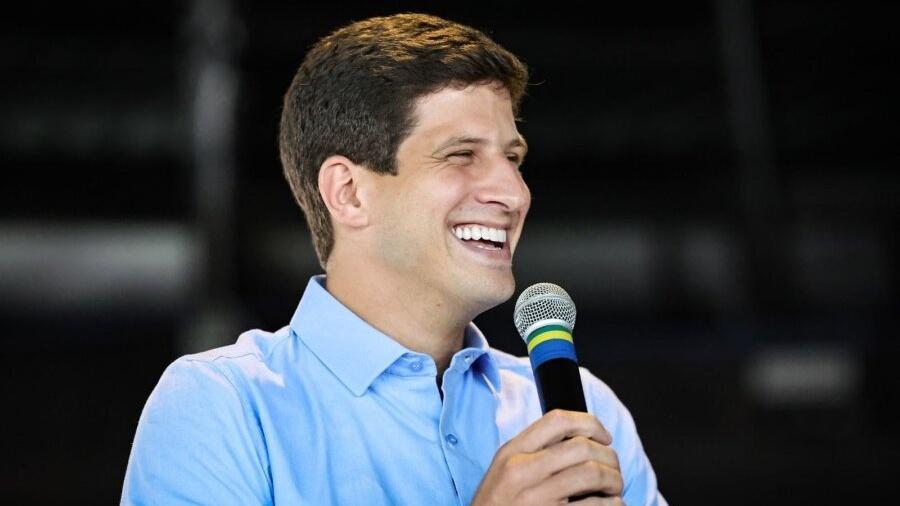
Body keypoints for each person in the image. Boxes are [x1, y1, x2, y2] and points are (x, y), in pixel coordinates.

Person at [122, 13, 666, 505]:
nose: (515, 193)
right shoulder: (222, 407)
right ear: (350, 192)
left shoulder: (587, 412)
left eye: (513, 158)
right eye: (461, 156)